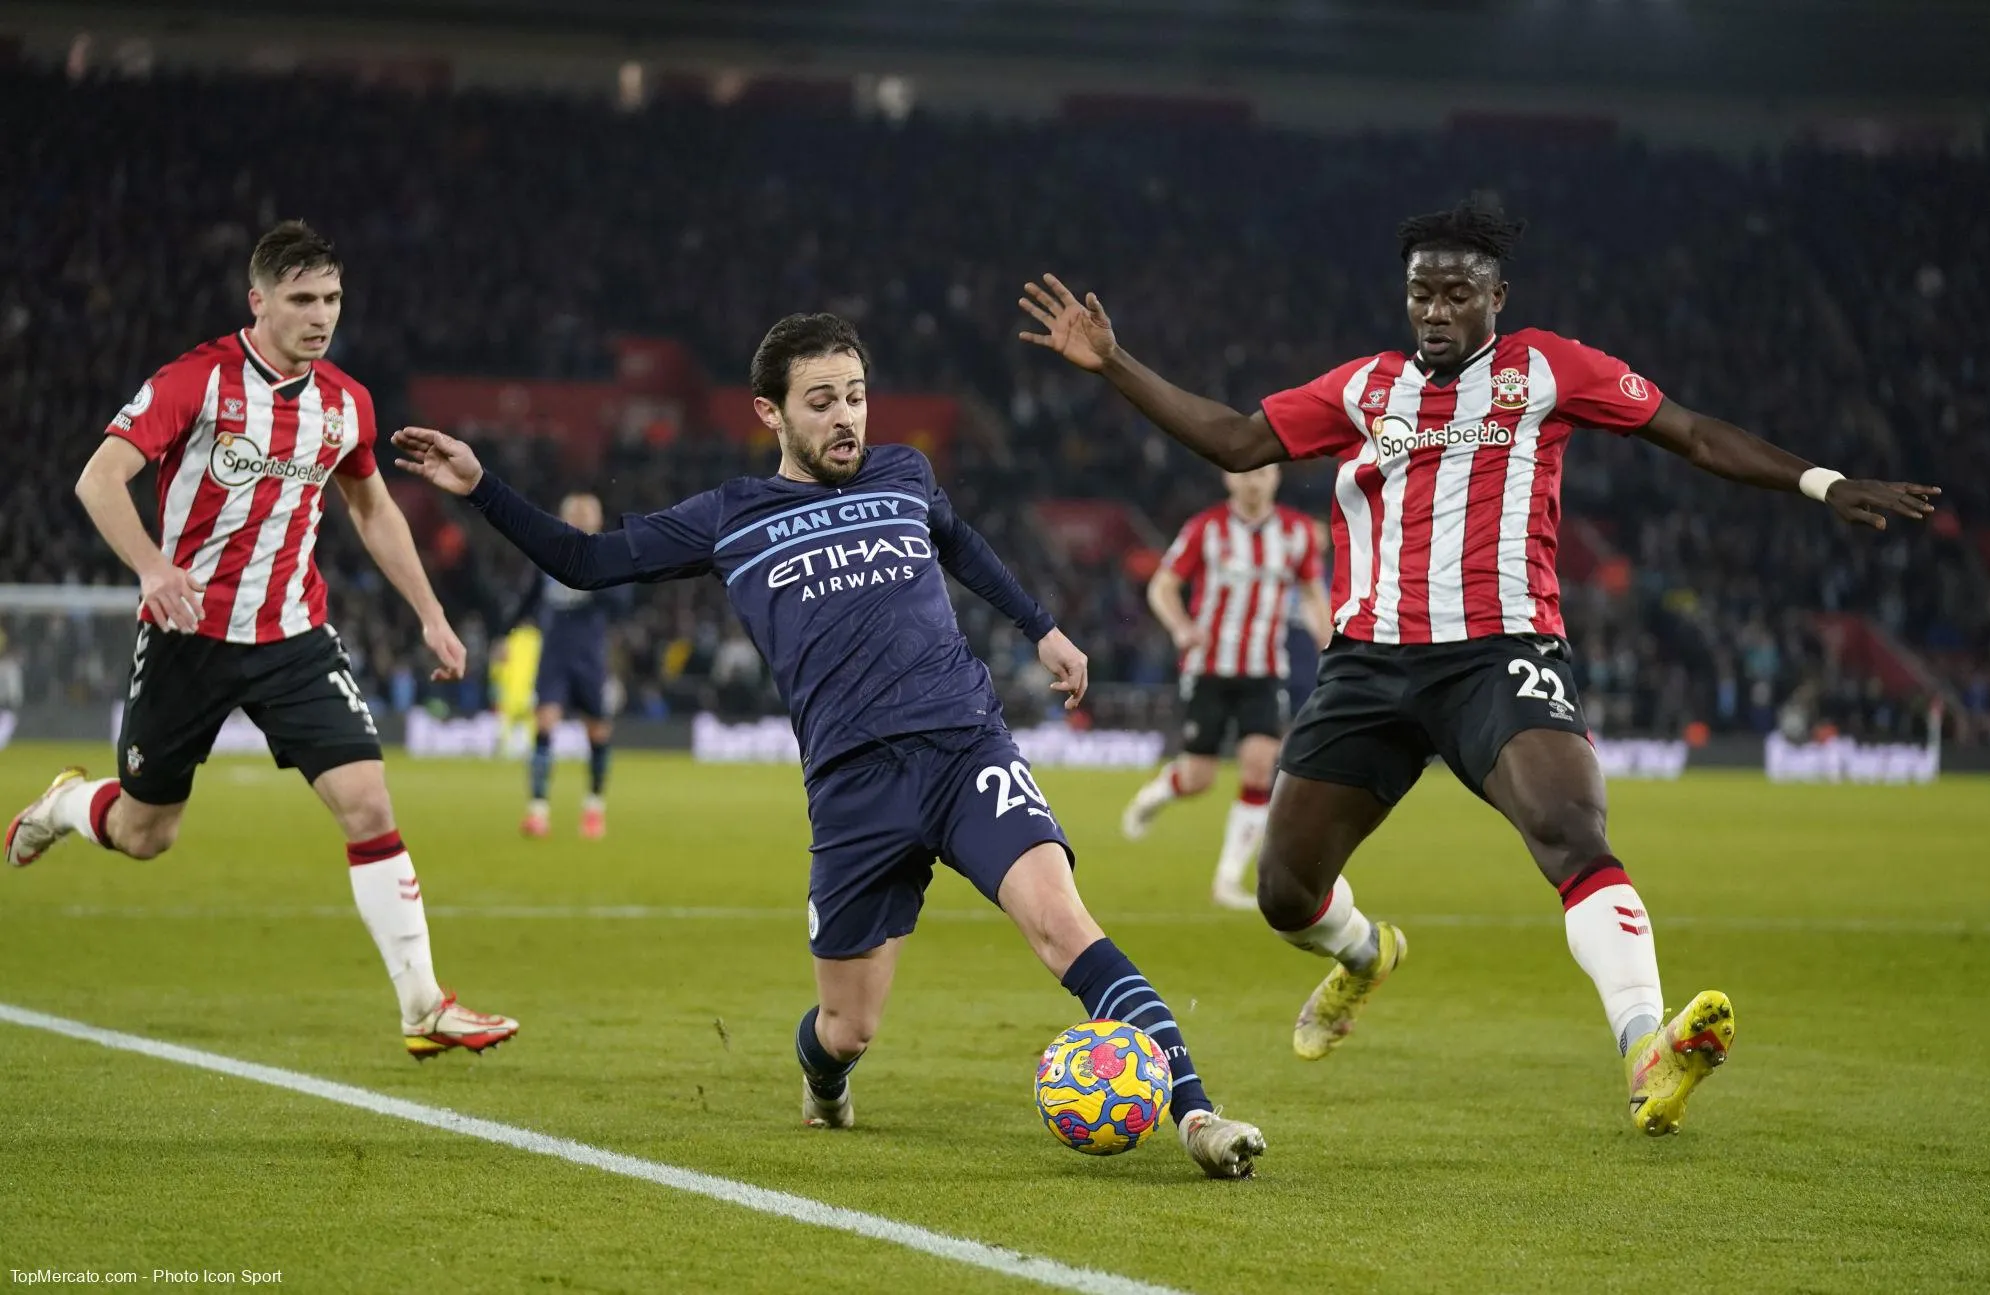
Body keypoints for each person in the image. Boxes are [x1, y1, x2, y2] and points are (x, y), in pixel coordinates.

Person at [1018, 200, 1939, 1135]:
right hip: (1368, 667)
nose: (1436, 311)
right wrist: (1115, 364)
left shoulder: (1548, 368)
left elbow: (1694, 433)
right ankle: (1366, 954)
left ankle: (1645, 1049)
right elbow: (1232, 437)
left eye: (1458, 293)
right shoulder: (1362, 389)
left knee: (1571, 831)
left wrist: (1823, 482)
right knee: (1284, 892)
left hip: (1501, 653)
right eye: (1422, 292)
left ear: (1498, 297)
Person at [394, 312, 1265, 1176]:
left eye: (855, 396)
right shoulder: (729, 516)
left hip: (966, 747)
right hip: (853, 785)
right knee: (849, 1027)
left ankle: (1195, 1113)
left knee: (1065, 928)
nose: (847, 416)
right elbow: (585, 561)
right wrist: (481, 488)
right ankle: (823, 1078)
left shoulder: (905, 473)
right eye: (821, 401)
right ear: (769, 413)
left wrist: (1041, 626)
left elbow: (960, 542)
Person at [4, 220, 517, 1061]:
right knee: (146, 834)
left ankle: (423, 1004)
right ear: (260, 301)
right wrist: (151, 567)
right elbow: (98, 477)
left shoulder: (346, 401)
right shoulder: (198, 381)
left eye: (334, 299)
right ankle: (64, 804)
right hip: (186, 635)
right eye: (304, 299)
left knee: (368, 803)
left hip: (292, 634)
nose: (322, 316)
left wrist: (429, 611)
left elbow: (372, 508)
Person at [1121, 466, 1332, 909]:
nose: (1254, 481)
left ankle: (1228, 881)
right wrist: (1181, 627)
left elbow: (1313, 594)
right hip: (1209, 668)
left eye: (1263, 473)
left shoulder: (1296, 534)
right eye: (1246, 474)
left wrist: (1329, 641)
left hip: (1264, 669)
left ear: (1275, 478)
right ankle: (1157, 793)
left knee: (1259, 766)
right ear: (1228, 479)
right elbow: (1163, 586)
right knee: (1199, 778)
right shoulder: (1206, 529)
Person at [508, 492, 632, 839]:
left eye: (585, 513)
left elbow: (622, 603)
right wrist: (506, 635)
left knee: (598, 731)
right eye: (573, 513)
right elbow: (527, 600)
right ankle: (537, 811)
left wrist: (594, 580)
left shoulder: (607, 559)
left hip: (590, 655)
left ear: (597, 519)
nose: (579, 518)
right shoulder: (548, 557)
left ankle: (594, 808)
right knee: (544, 723)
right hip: (554, 654)